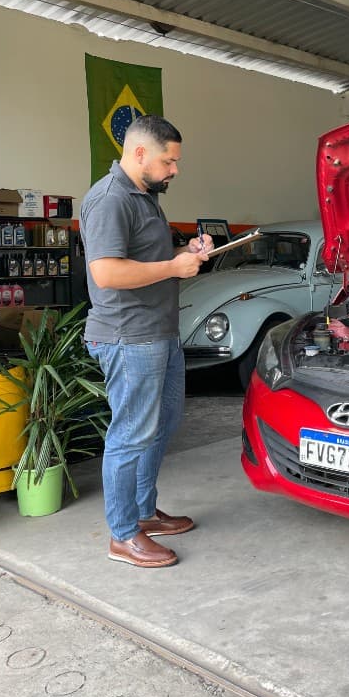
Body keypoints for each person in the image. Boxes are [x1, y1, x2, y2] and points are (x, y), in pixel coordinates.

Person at [79, 115, 214, 568]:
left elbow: (149, 260)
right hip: (127, 336)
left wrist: (186, 255)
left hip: (159, 332)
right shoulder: (109, 199)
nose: (174, 170)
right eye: (168, 161)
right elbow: (107, 272)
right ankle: (122, 534)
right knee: (130, 435)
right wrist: (172, 269)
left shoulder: (145, 197)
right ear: (139, 153)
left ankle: (142, 513)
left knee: (161, 427)